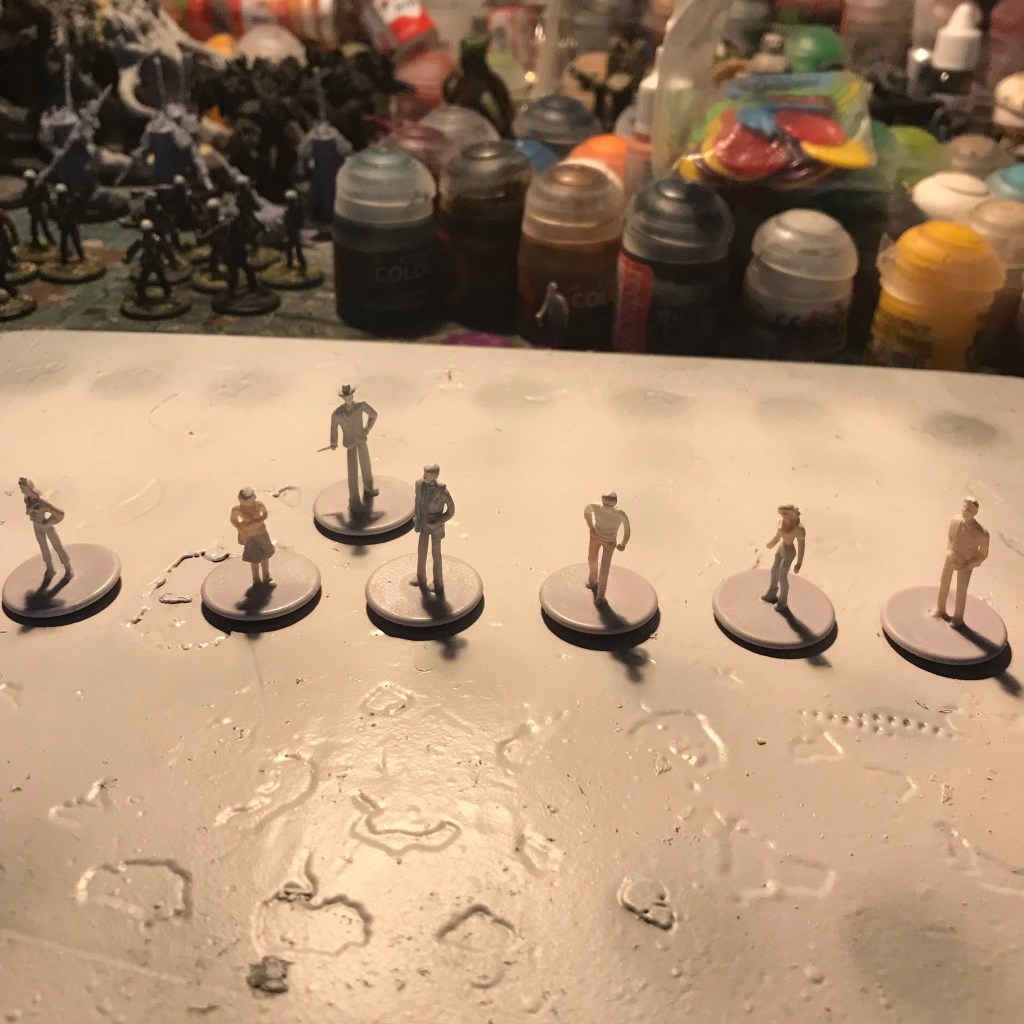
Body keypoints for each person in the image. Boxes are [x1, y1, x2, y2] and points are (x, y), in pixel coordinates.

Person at [932, 496, 990, 626]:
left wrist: (968, 565)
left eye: (969, 510)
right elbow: (950, 538)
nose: (965, 511)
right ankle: (940, 607)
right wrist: (949, 551)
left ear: (975, 513)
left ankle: (958, 616)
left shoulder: (981, 533)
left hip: (965, 564)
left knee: (961, 589)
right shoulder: (955, 520)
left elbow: (983, 554)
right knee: (944, 581)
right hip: (951, 558)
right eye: (964, 507)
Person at [329, 385, 378, 507]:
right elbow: (334, 428)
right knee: (352, 471)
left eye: (350, 396)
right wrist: (333, 442)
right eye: (346, 397)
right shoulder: (337, 414)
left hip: (361, 440)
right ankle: (354, 499)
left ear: (353, 395)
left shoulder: (361, 406)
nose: (348, 399)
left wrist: (367, 429)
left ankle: (369, 487)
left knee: (366, 465)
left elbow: (373, 414)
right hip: (350, 443)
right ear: (342, 398)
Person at [412, 464, 455, 594]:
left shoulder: (442, 491)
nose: (424, 475)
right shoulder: (419, 484)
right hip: (423, 523)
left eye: (427, 473)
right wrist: (416, 516)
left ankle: (438, 582)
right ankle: (420, 576)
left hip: (436, 526)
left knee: (436, 554)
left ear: (434, 475)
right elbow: (417, 501)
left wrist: (437, 522)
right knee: (421, 551)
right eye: (424, 472)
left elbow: (451, 511)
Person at [19, 477, 72, 578]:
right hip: (36, 526)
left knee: (57, 546)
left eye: (23, 488)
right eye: (21, 488)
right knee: (43, 547)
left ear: (30, 488)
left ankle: (68, 568)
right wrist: (30, 510)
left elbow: (60, 514)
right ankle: (50, 568)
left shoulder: (42, 502)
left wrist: (48, 522)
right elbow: (28, 512)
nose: (22, 491)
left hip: (46, 526)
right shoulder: (28, 499)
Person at [584, 491, 630, 603]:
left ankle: (601, 594)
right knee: (591, 559)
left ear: (615, 504)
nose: (607, 508)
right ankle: (592, 580)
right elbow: (587, 512)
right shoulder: (596, 507)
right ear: (602, 501)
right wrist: (591, 527)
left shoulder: (620, 514)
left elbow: (627, 529)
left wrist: (623, 543)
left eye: (610, 505)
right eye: (605, 504)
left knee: (605, 568)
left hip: (610, 542)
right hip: (595, 537)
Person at [762, 504, 805, 612]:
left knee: (782, 576)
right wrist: (771, 543)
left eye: (784, 513)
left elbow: (801, 546)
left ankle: (783, 600)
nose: (782, 515)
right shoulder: (781, 522)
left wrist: (799, 563)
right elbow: (778, 536)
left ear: (792, 514)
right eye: (781, 513)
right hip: (782, 548)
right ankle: (771, 592)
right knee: (774, 570)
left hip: (789, 552)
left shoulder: (798, 529)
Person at [230, 488, 274, 587]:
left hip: (261, 533)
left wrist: (259, 520)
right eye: (244, 501)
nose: (247, 503)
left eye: (249, 500)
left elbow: (265, 513)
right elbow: (233, 520)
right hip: (250, 536)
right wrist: (242, 527)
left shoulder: (259, 505)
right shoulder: (237, 509)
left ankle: (266, 575)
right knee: (254, 559)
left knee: (265, 556)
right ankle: (256, 578)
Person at [122, 219, 173, 304]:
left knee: (158, 277)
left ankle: (167, 291)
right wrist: (127, 257)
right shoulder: (147, 239)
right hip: (150, 261)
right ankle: (141, 292)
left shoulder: (155, 239)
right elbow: (134, 248)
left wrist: (171, 259)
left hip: (153, 261)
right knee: (146, 278)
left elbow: (166, 249)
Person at [53, 183, 85, 265]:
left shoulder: (67, 203)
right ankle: (64, 258)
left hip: (70, 223)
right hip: (67, 224)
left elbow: (74, 212)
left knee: (74, 241)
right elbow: (57, 215)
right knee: (67, 241)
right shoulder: (59, 204)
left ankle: (80, 255)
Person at [22, 170, 55, 250]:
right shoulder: (28, 190)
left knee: (44, 227)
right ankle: (36, 241)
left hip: (40, 209)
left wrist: (50, 206)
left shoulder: (39, 187)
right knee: (34, 228)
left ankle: (52, 242)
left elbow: (46, 198)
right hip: (35, 210)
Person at [535, 281, 569, 347]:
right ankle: (553, 345)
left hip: (559, 319)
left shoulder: (560, 299)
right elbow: (545, 306)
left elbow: (565, 311)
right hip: (552, 318)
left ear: (554, 290)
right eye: (548, 288)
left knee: (556, 333)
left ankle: (556, 346)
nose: (548, 290)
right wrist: (540, 314)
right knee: (552, 333)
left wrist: (566, 321)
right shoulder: (548, 297)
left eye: (550, 288)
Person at [282, 190, 307, 274]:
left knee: (298, 248)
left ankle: (302, 263)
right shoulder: (290, 209)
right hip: (290, 230)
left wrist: (295, 228)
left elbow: (299, 220)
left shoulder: (297, 209)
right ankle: (290, 262)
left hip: (295, 231)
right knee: (288, 247)